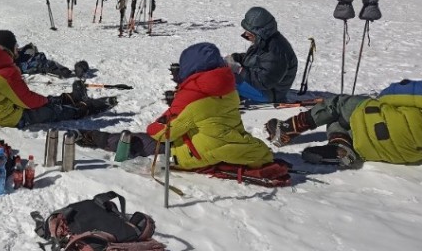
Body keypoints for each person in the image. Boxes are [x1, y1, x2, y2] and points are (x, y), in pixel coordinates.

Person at [76, 42, 276, 171]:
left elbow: (161, 132)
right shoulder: (230, 90)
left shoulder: (193, 96)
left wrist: (159, 122)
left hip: (192, 153)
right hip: (222, 142)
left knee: (142, 141)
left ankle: (96, 138)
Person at [265, 62, 422, 167]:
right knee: (345, 122)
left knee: (340, 104)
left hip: (380, 126)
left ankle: (287, 129)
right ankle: (341, 147)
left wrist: (377, 102)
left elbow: (391, 94)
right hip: (398, 154)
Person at [0, 29, 115, 128]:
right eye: (15, 47)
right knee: (49, 111)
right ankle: (84, 109)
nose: (17, 50)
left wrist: (45, 100)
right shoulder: (5, 73)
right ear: (6, 49)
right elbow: (28, 101)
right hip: (1, 117)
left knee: (45, 102)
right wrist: (46, 102)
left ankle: (70, 98)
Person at [224, 6, 297, 104]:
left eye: (249, 32)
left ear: (260, 32)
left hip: (270, 93)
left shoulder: (276, 52)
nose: (246, 34)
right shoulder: (266, 40)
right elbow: (256, 59)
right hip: (263, 87)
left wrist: (239, 70)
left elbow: (263, 81)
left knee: (227, 79)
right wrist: (235, 58)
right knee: (224, 73)